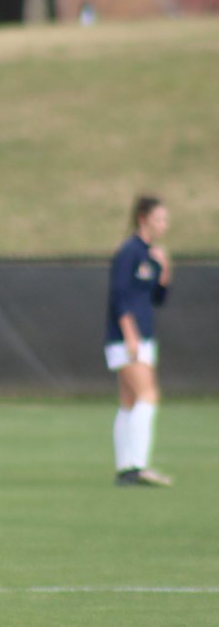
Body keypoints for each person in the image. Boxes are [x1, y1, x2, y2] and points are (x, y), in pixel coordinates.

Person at [104, 195, 172, 486]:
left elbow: (158, 298)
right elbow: (119, 296)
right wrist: (130, 334)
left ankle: (126, 468)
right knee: (148, 396)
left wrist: (164, 269)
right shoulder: (129, 252)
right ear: (143, 219)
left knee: (130, 401)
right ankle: (138, 466)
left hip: (143, 336)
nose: (164, 225)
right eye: (159, 219)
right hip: (127, 338)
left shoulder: (151, 255)